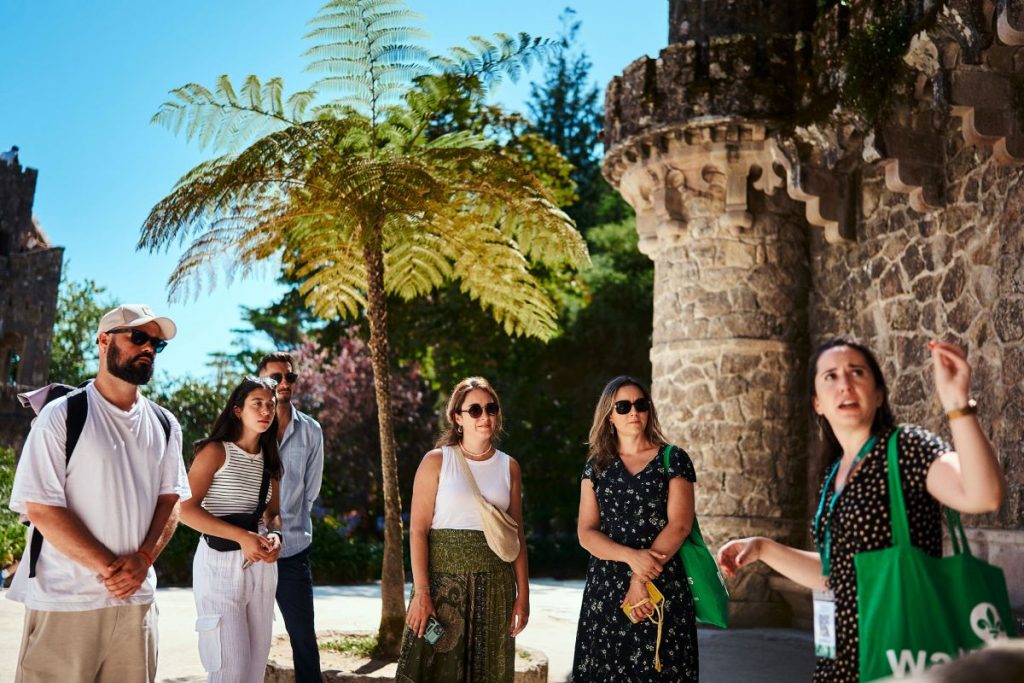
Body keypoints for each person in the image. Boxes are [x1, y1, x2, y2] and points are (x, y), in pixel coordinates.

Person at [717, 338, 1006, 683]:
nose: (845, 384)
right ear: (817, 403)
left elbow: (983, 496)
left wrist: (958, 404)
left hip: (901, 658)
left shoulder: (907, 448)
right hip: (841, 663)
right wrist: (763, 548)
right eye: (831, 376)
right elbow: (835, 575)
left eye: (857, 372)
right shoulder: (833, 476)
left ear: (879, 394)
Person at [7, 303, 190, 682]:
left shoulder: (165, 424)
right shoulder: (61, 415)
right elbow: (41, 507)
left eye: (156, 344)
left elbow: (170, 500)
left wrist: (143, 559)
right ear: (103, 341)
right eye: (138, 337)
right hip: (66, 600)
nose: (148, 348)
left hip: (136, 604)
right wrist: (112, 570)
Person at [396, 377, 529, 683]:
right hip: (442, 587)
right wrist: (422, 593)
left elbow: (517, 535)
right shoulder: (436, 461)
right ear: (457, 417)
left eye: (491, 408)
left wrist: (524, 594)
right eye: (475, 410)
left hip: (496, 588)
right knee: (430, 670)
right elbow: (417, 531)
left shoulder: (510, 467)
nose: (484, 416)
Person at [572, 375, 699, 682]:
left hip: (660, 584)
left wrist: (639, 578)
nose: (634, 412)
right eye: (624, 406)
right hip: (606, 593)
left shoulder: (673, 459)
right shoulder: (596, 466)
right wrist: (630, 557)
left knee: (660, 669)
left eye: (641, 404)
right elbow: (586, 532)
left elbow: (680, 525)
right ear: (609, 415)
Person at [180, 375, 284, 682]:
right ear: (237, 410)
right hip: (219, 563)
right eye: (257, 404)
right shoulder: (214, 452)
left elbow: (272, 514)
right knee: (229, 669)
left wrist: (276, 536)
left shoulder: (270, 460)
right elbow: (184, 510)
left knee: (253, 672)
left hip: (261, 566)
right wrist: (241, 536)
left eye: (271, 405)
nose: (266, 411)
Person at [257, 352, 325, 682]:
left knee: (303, 641)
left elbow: (310, 491)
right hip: (250, 550)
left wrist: (289, 525)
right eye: (275, 377)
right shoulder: (249, 427)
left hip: (293, 552)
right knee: (248, 640)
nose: (284, 383)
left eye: (289, 378)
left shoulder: (311, 431)